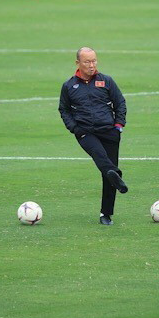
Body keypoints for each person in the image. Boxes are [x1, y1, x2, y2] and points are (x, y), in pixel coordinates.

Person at [59, 47, 128, 225]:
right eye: (87, 62)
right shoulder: (69, 86)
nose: (92, 65)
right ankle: (115, 173)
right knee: (101, 157)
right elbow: (64, 110)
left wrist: (118, 125)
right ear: (78, 63)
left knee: (108, 173)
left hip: (110, 132)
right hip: (85, 133)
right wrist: (74, 128)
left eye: (94, 61)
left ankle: (106, 214)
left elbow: (120, 102)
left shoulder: (106, 81)